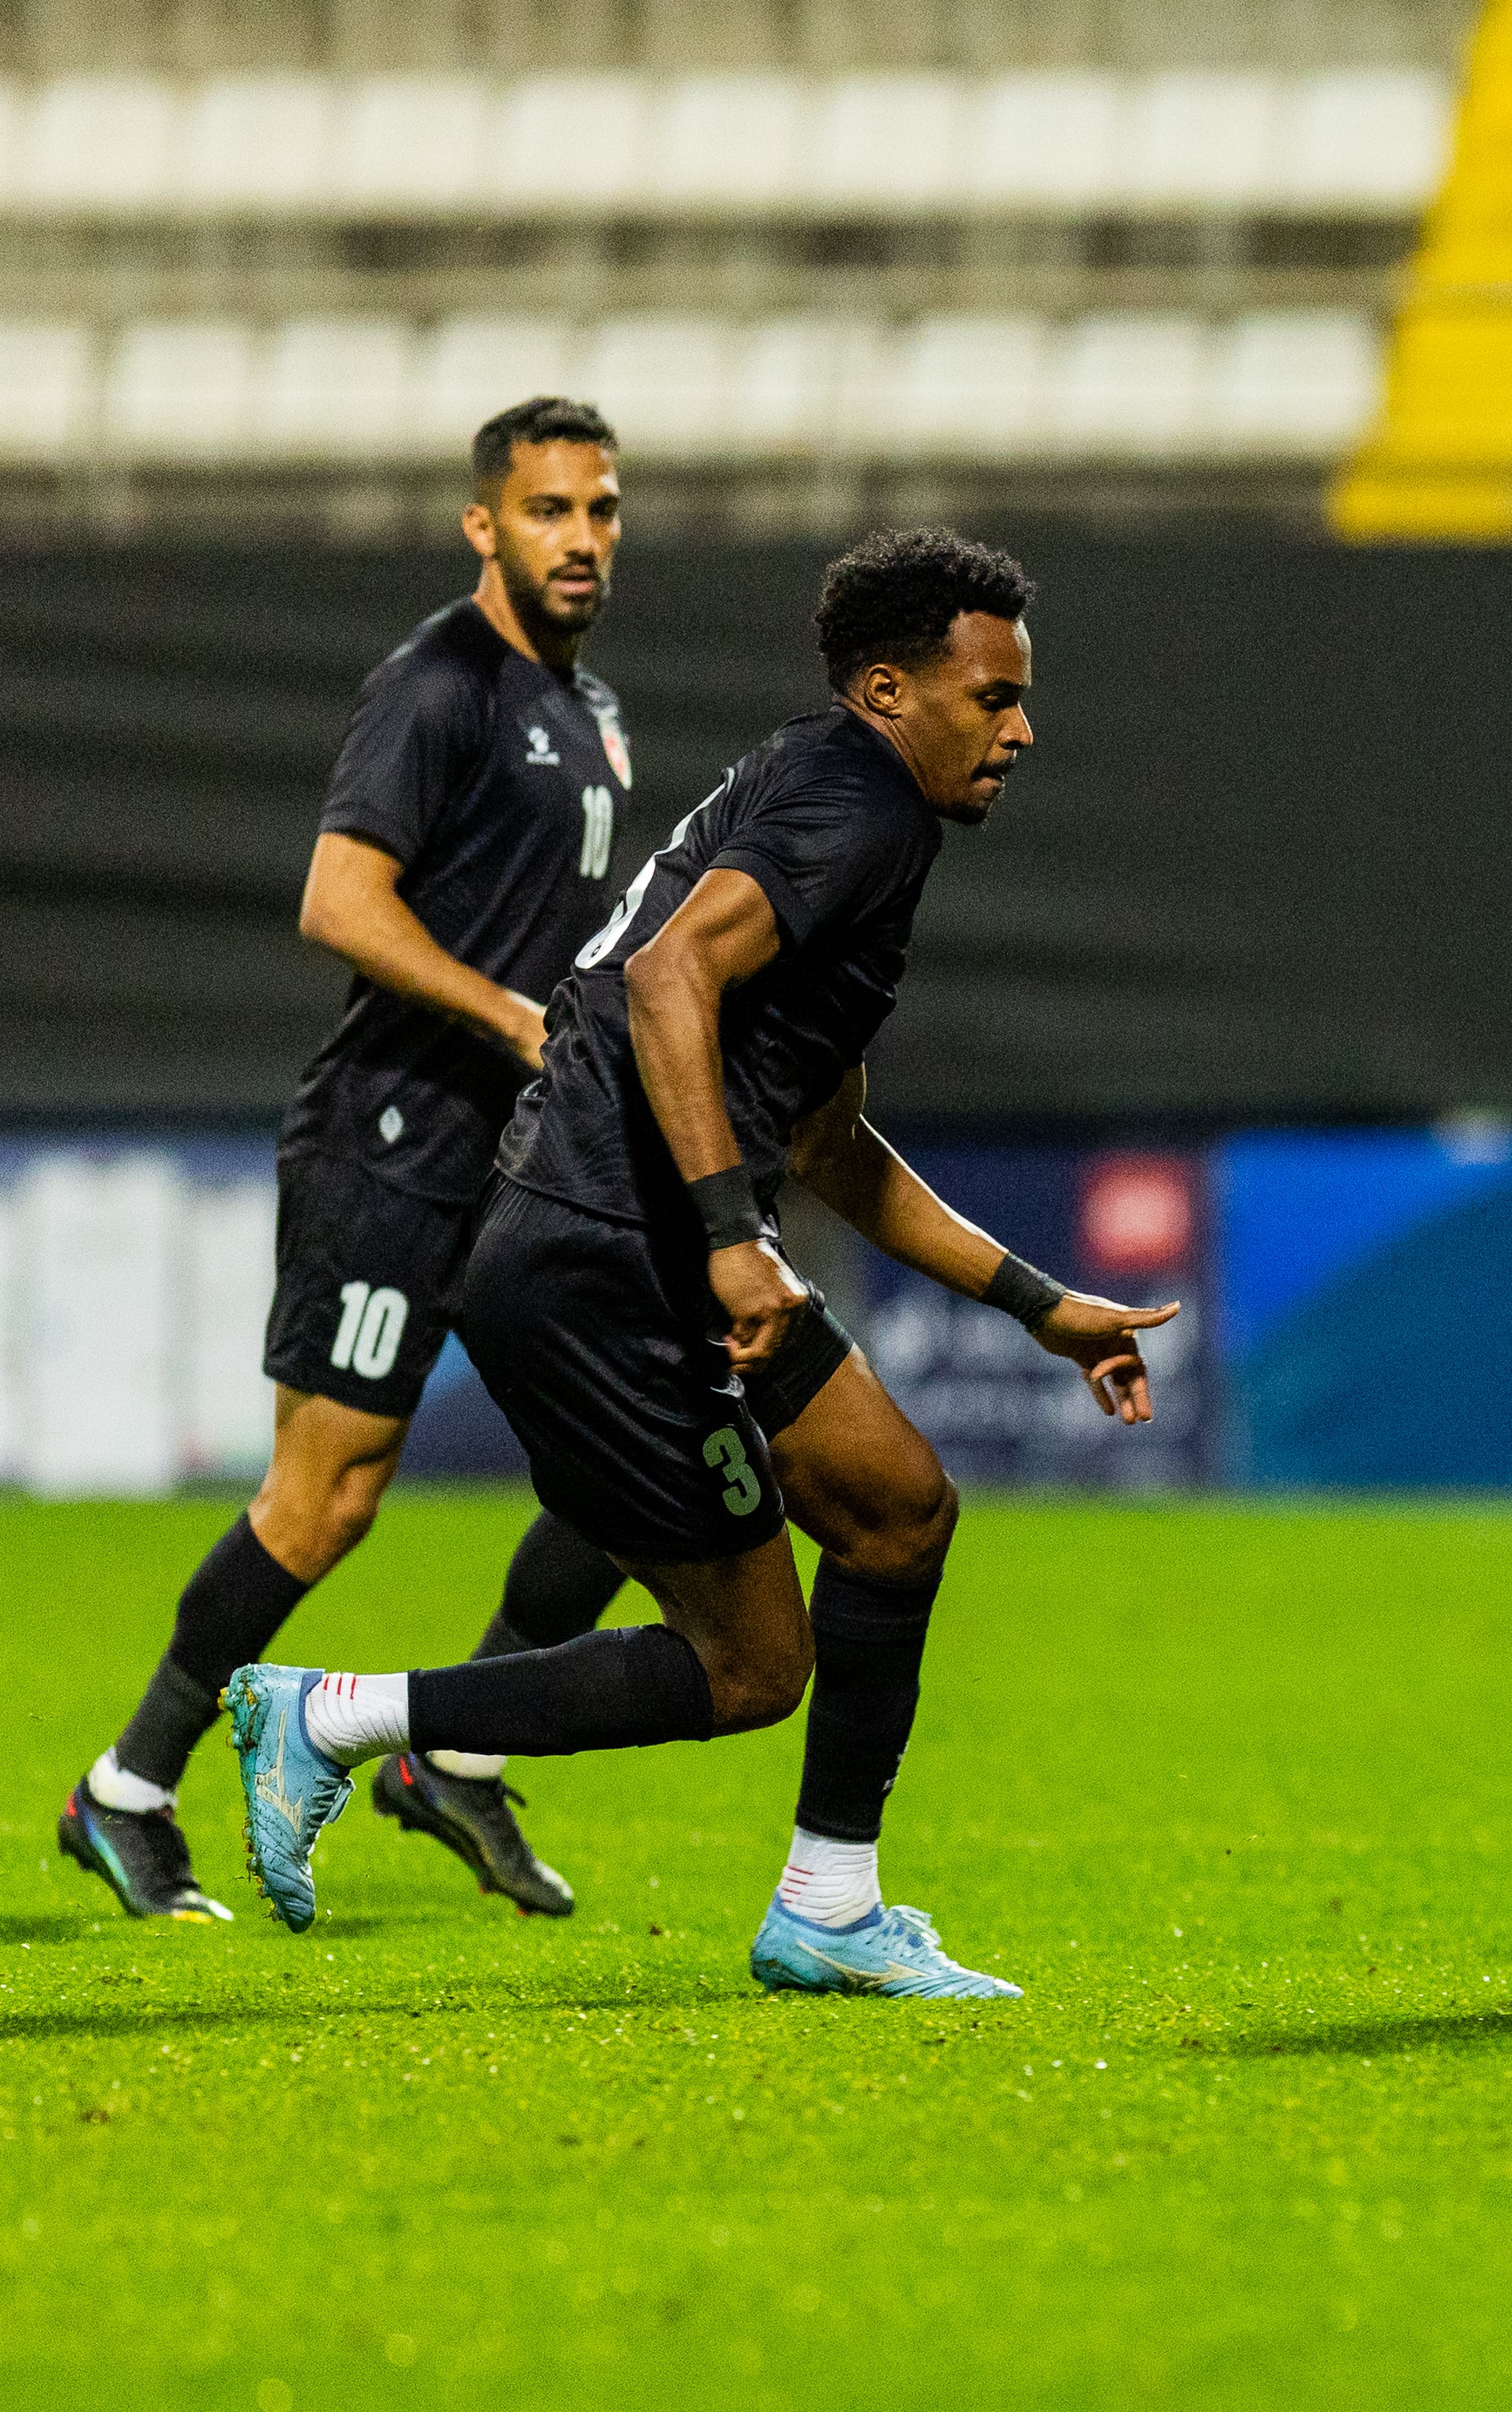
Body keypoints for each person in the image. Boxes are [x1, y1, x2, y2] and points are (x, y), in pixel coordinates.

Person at [219, 527, 1173, 2000]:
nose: (1020, 729)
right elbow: (670, 978)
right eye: (992, 698)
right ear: (888, 690)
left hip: (628, 1244)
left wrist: (1040, 1304)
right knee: (751, 1665)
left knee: (898, 1510)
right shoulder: (857, 802)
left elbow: (830, 1141)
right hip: (606, 1256)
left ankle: (831, 1904)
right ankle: (337, 1718)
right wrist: (733, 1241)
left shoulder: (845, 804)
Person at [59, 396, 650, 1924]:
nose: (581, 537)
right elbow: (339, 898)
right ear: (483, 524)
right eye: (549, 510)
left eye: (600, 509)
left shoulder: (592, 708)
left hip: (528, 1153)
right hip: (394, 1142)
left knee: (645, 1444)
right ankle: (126, 1789)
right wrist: (507, 1013)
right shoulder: (437, 685)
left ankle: (454, 1751)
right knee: (323, 1501)